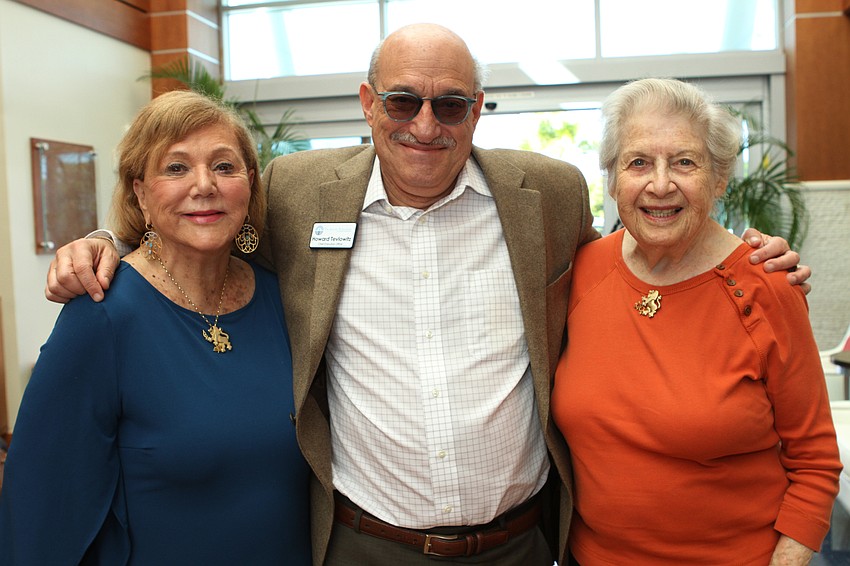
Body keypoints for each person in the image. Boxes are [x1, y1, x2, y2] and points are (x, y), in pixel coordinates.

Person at [44, 25, 808, 566]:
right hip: (361, 545)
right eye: (403, 101)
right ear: (369, 103)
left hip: (522, 544)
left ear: (477, 110)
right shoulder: (299, 190)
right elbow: (209, 231)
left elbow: (644, 252)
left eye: (450, 105)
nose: (425, 125)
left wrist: (744, 257)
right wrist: (106, 245)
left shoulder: (547, 193)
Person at [1, 91, 311, 564]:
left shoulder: (282, 296)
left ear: (250, 185)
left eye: (225, 167)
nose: (204, 185)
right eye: (176, 167)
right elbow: (42, 500)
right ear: (140, 192)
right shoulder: (102, 314)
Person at [552, 78, 840, 565]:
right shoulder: (579, 271)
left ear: (720, 178)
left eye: (685, 162)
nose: (660, 184)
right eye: (638, 162)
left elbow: (814, 461)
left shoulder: (767, 285)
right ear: (612, 177)